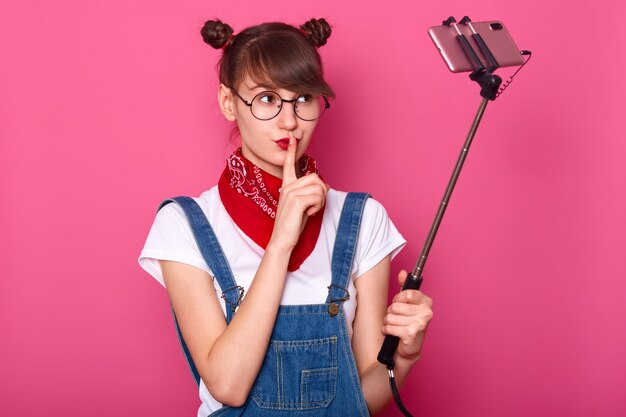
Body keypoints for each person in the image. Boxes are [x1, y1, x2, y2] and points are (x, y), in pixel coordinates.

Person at [138, 17, 433, 417]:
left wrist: (405, 356)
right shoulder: (184, 223)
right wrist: (281, 241)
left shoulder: (363, 218)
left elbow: (361, 400)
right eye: (266, 99)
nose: (290, 120)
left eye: (304, 98)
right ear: (229, 103)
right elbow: (228, 385)